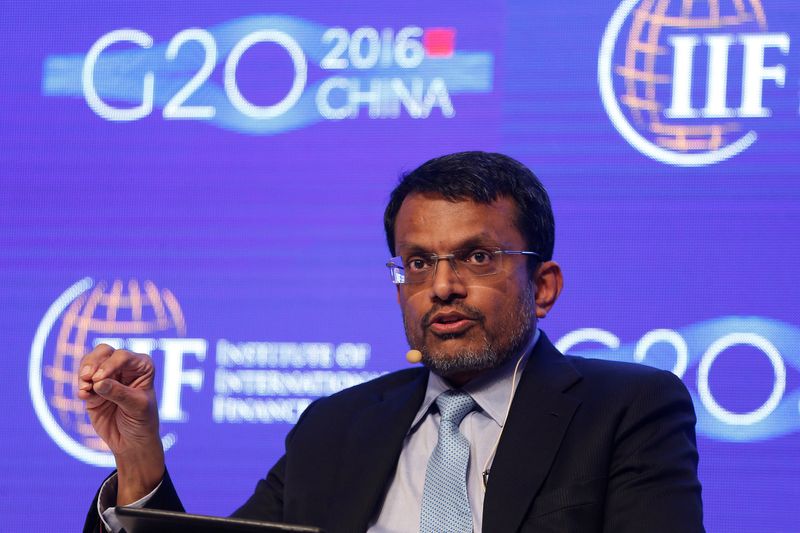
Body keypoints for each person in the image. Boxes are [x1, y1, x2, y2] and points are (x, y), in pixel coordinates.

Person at [79, 151, 704, 532]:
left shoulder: (626, 409)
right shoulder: (337, 425)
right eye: (418, 263)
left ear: (542, 287)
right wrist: (139, 455)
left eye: (477, 257)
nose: (443, 287)